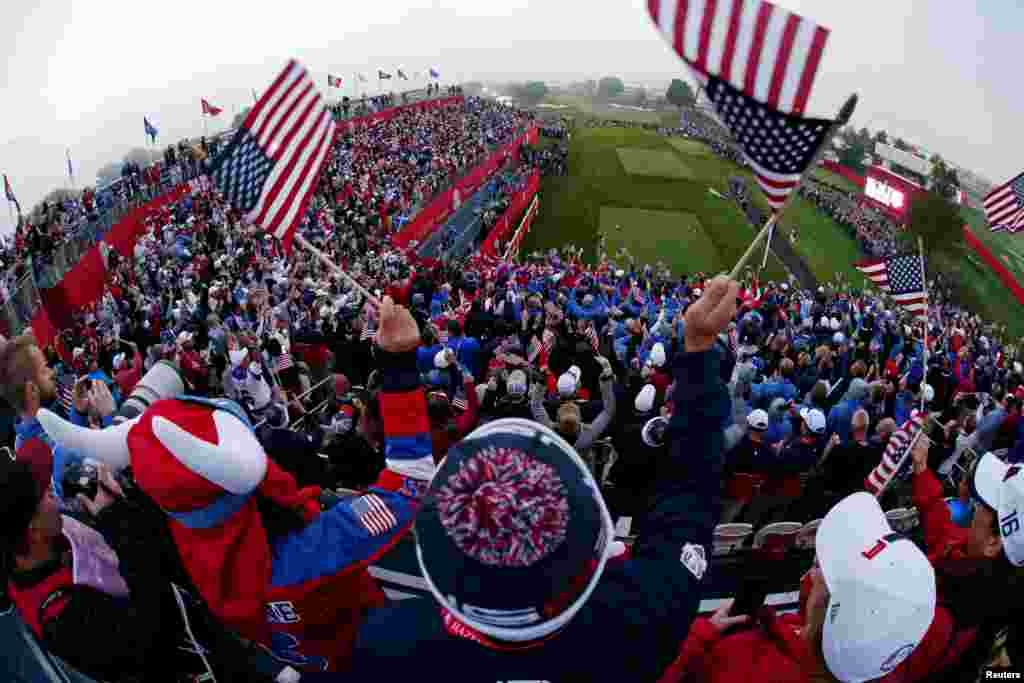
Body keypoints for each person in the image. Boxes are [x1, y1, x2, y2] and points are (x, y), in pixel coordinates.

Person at [337, 276, 738, 682]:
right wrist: (700, 352)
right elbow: (690, 497)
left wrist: (399, 371)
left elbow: (404, 483)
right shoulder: (642, 623)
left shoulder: (387, 647)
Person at [35, 297, 436, 674]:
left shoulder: (185, 545)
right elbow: (409, 485)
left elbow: (153, 512)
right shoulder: (311, 551)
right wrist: (397, 364)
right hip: (370, 653)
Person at [1, 460, 298, 683]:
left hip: (211, 631)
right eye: (44, 496)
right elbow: (153, 633)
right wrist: (117, 522)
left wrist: (127, 495)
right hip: (195, 665)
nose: (54, 496)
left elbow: (150, 545)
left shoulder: (60, 534)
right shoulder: (59, 617)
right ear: (31, 528)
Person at [657, 492, 949, 683]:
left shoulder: (740, 663)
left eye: (823, 569)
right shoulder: (874, 658)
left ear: (827, 608)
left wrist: (701, 635)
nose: (816, 568)